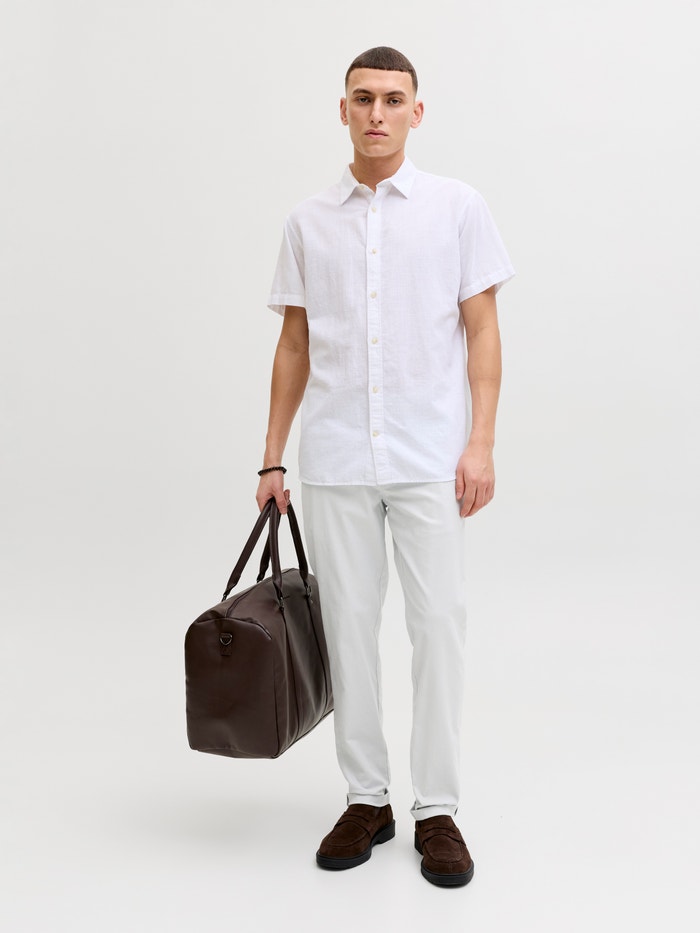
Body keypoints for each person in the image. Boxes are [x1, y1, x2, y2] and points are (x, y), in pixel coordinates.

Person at [256, 46, 514, 887]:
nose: (377, 113)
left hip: (430, 456)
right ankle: (366, 797)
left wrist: (481, 442)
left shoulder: (457, 208)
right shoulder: (308, 222)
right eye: (363, 98)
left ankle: (436, 808)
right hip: (335, 457)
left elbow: (482, 329)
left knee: (439, 625)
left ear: (416, 112)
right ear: (343, 110)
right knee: (348, 631)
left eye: (393, 99)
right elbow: (294, 343)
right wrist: (271, 458)